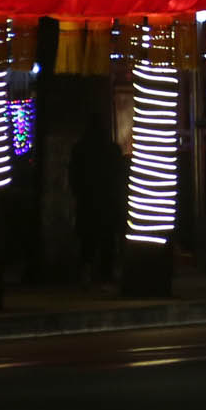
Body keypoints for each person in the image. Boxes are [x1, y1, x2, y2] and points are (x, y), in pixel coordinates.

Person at [69, 116, 124, 286]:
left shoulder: (80, 149)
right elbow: (119, 176)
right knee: (107, 240)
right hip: (107, 201)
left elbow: (74, 175)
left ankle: (87, 274)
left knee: (88, 240)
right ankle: (105, 274)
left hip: (88, 201)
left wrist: (78, 192)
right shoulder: (112, 150)